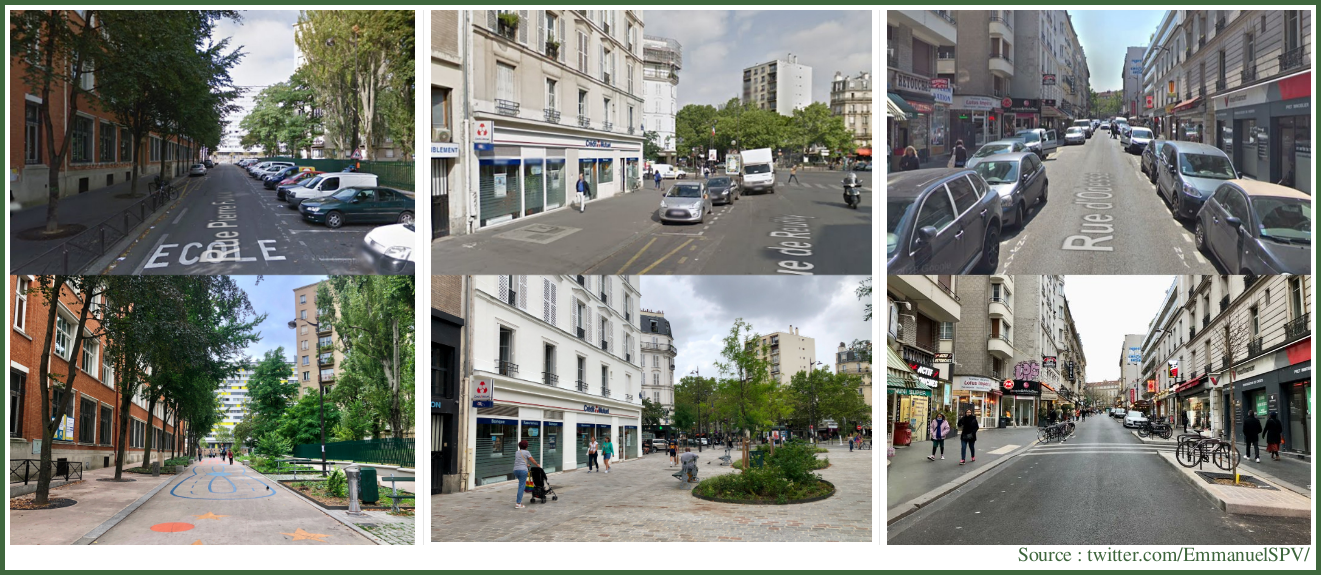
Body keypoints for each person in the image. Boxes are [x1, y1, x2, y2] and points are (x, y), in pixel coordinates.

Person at [512, 440, 540, 509]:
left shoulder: (517, 452)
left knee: (521, 485)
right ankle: (518, 503)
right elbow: (532, 460)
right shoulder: (527, 452)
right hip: (523, 471)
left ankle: (519, 502)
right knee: (521, 486)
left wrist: (526, 465)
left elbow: (519, 461)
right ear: (526, 446)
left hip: (515, 470)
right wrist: (537, 465)